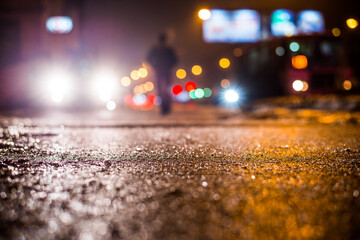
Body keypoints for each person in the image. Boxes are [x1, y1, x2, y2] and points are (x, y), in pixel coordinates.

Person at [146, 33, 178, 115]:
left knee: (162, 89)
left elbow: (148, 59)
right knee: (164, 89)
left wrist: (154, 65)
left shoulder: (161, 49)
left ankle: (165, 107)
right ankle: (165, 107)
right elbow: (175, 60)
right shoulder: (167, 49)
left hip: (161, 71)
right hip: (163, 71)